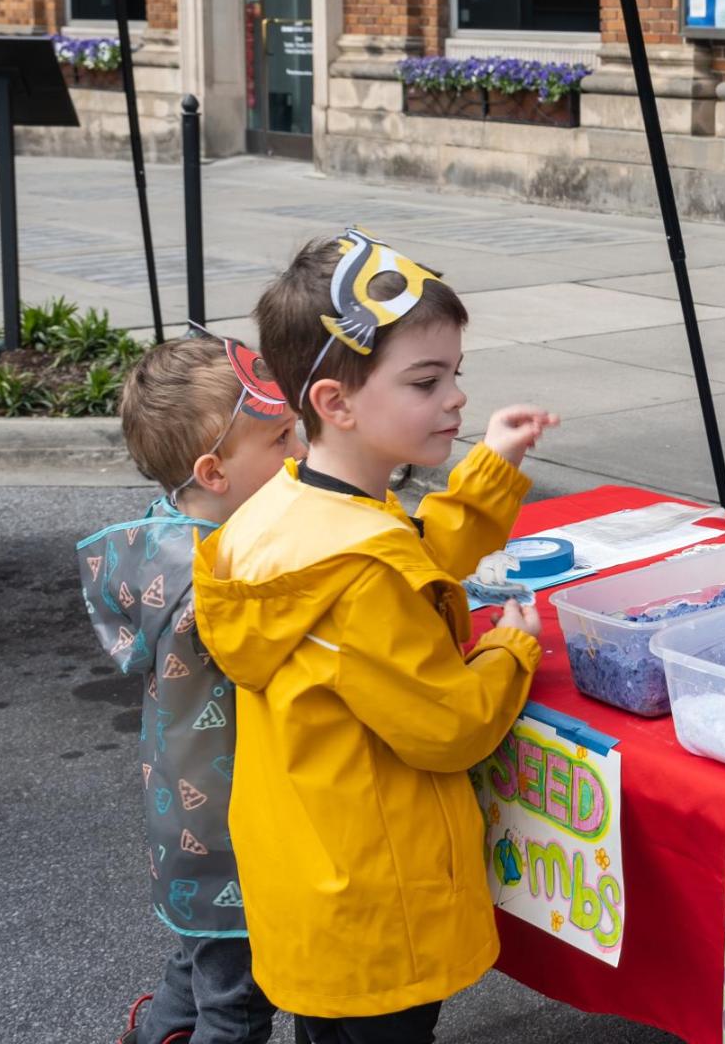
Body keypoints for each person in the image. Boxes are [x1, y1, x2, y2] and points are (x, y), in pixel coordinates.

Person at [192, 229, 557, 1043]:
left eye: (455, 374)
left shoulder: (284, 511)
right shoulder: (358, 570)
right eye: (426, 381)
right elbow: (450, 726)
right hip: (380, 896)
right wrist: (510, 651)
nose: (456, 398)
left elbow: (407, 556)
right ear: (336, 402)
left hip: (311, 882)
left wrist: (490, 467)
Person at [77, 334, 305, 1044]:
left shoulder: (161, 536)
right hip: (231, 832)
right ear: (213, 471)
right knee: (236, 1006)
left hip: (184, 825)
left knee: (202, 961)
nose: (301, 450)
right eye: (281, 438)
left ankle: (158, 1035)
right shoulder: (224, 577)